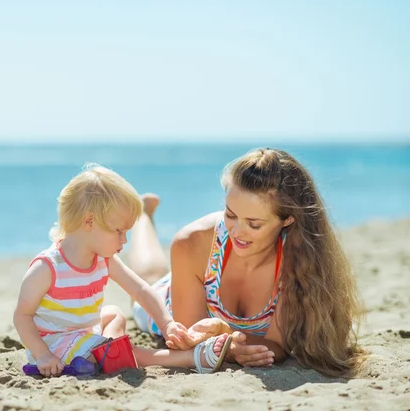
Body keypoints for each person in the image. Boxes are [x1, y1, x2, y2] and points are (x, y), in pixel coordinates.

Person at [129, 148, 366, 377]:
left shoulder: (299, 259)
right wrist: (229, 345)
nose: (238, 232)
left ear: (288, 219)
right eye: (230, 215)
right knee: (148, 279)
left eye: (254, 224)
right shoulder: (192, 241)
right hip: (172, 301)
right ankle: (143, 215)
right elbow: (189, 338)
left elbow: (276, 346)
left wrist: (226, 335)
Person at [13, 163, 233, 377]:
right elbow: (22, 316)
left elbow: (140, 290)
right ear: (88, 222)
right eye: (118, 231)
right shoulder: (48, 267)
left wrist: (167, 324)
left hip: (83, 335)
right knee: (123, 349)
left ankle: (109, 351)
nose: (124, 239)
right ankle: (190, 358)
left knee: (114, 313)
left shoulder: (103, 260)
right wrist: (42, 355)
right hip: (53, 344)